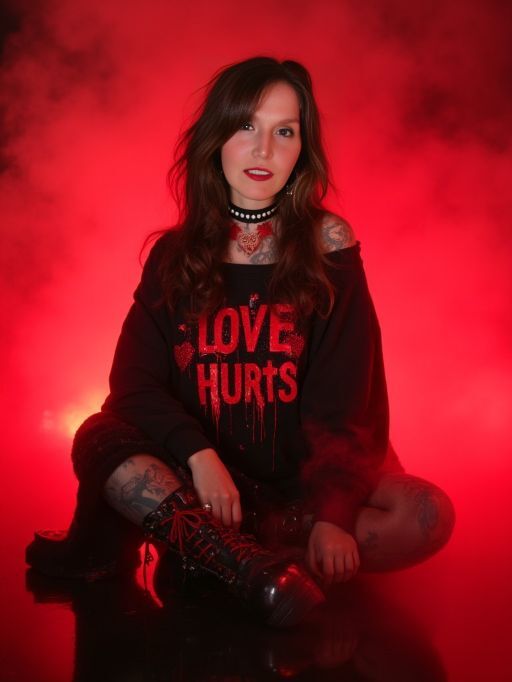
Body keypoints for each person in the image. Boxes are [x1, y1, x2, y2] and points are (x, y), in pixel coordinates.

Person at [26, 56, 456, 628]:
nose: (264, 150)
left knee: (426, 513)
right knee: (98, 435)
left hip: (294, 497)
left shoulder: (328, 244)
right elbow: (132, 385)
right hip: (202, 491)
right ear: (217, 136)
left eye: (285, 132)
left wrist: (332, 515)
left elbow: (347, 391)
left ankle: (212, 555)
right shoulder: (174, 256)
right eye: (247, 125)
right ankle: (247, 567)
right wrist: (200, 458)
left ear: (302, 149)